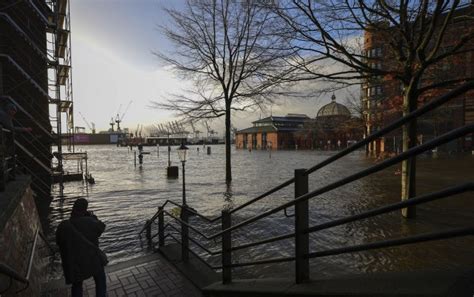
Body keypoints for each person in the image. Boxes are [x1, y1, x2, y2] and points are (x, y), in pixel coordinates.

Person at [56, 198, 107, 297]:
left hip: (75, 264)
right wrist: (92, 216)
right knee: (100, 278)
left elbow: (59, 242)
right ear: (85, 209)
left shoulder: (64, 226)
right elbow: (101, 227)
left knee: (77, 285)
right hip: (92, 260)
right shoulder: (91, 221)